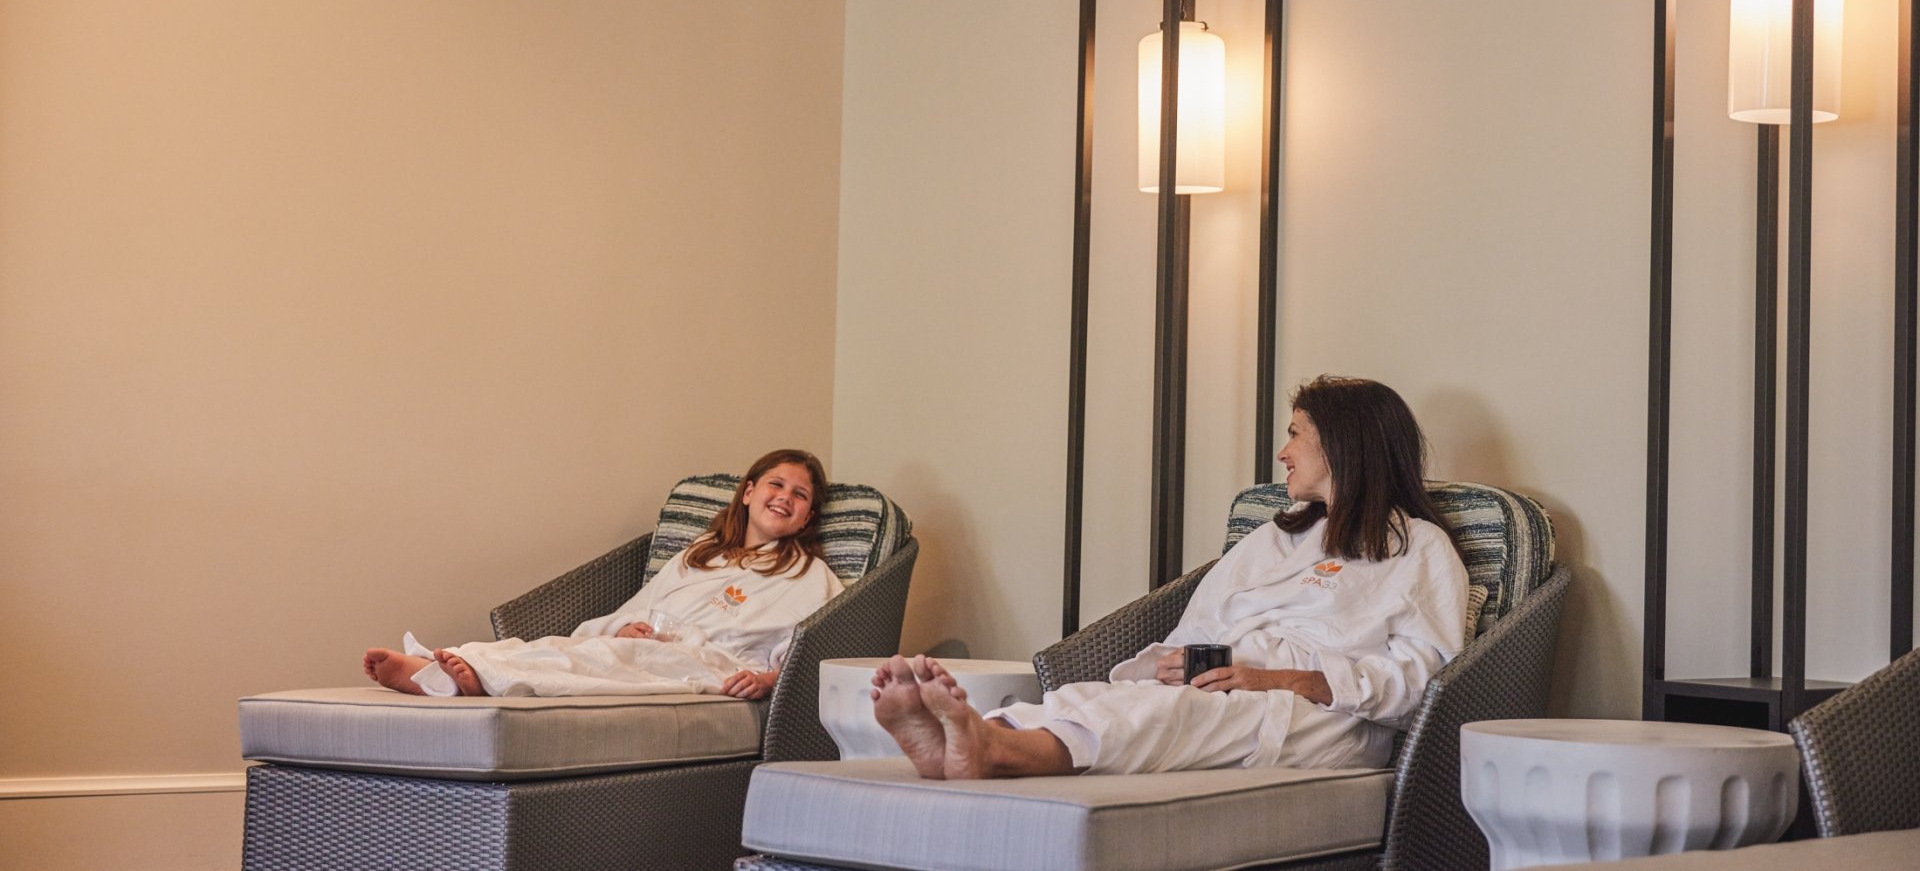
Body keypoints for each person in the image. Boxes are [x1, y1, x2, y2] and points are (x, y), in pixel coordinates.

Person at [874, 376, 1468, 778]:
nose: (1282, 453)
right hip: (1230, 687)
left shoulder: (1419, 549)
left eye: (1294, 433)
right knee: (1106, 697)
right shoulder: (1275, 537)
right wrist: (1177, 663)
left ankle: (997, 749)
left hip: (1325, 719)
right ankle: (968, 740)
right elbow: (1198, 629)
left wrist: (1280, 679)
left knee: (1169, 716)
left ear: (1341, 443)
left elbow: (1423, 681)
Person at [364, 449, 842, 700]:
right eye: (776, 484)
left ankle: (466, 676)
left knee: (592, 660)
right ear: (749, 492)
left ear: (807, 518)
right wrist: (623, 627)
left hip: (712, 665)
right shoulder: (700, 554)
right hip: (651, 647)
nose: (785, 496)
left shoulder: (810, 576)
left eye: (800, 495)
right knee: (563, 649)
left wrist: (767, 680)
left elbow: (816, 654)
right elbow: (636, 610)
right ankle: (458, 666)